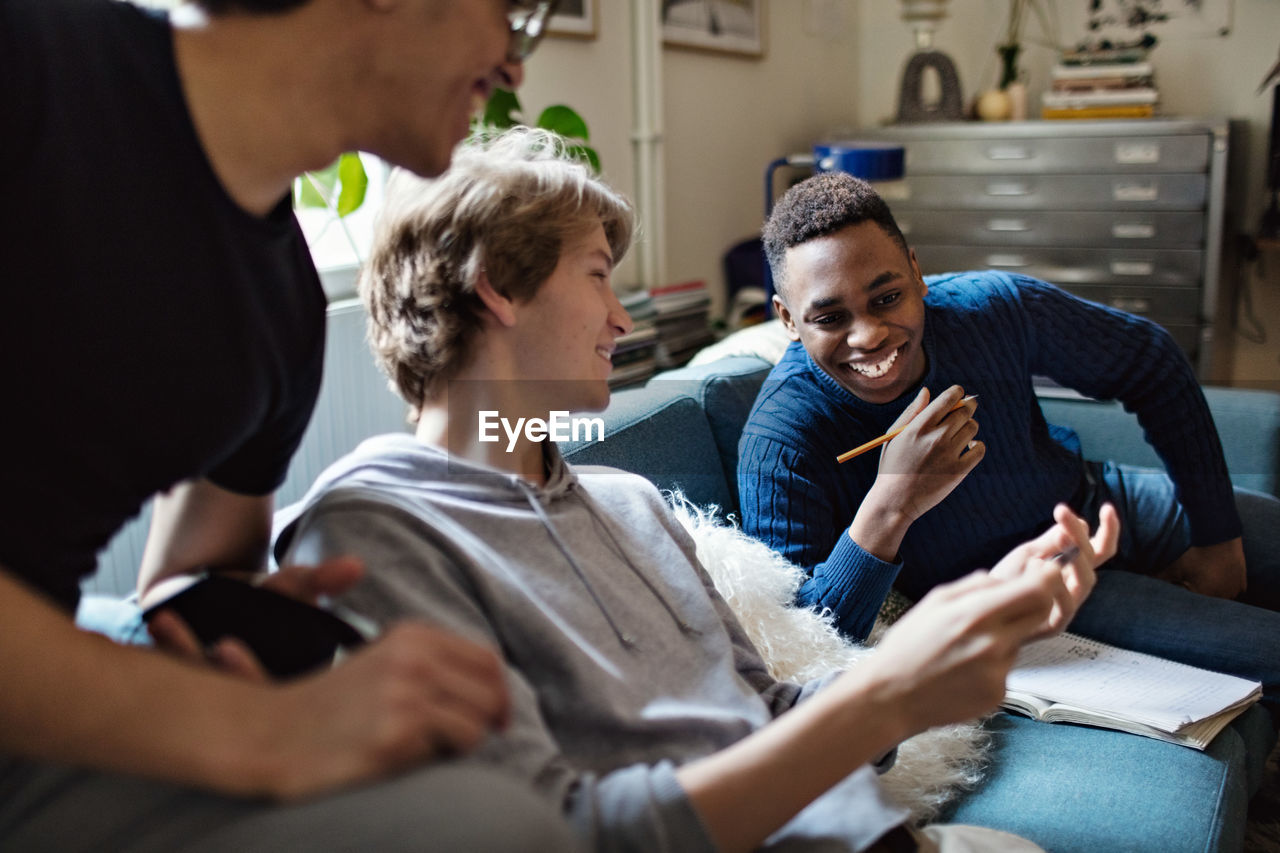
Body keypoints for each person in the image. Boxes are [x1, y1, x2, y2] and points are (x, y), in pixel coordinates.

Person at [275, 127, 1119, 852]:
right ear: (497, 285)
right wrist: (883, 692)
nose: (624, 319)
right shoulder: (374, 528)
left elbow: (775, 713)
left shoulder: (629, 503)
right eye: (598, 276)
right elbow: (551, 832)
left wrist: (975, 623)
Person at [0, 0, 576, 848]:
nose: (516, 64)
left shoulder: (282, 310)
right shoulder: (34, 65)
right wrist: (260, 732)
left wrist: (242, 622)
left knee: (493, 813)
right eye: (512, 15)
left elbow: (183, 590)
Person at [737, 170, 1280, 726]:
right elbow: (797, 648)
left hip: (1096, 501)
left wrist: (1217, 537)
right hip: (1033, 598)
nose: (868, 335)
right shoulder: (781, 442)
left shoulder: (991, 309)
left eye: (887, 297)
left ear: (918, 273)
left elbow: (1151, 360)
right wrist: (892, 503)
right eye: (829, 318)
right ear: (787, 319)